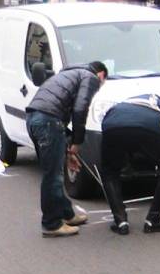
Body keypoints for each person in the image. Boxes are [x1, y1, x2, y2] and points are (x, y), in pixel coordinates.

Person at [26, 61, 108, 238]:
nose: (100, 86)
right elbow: (80, 109)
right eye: (103, 83)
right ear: (101, 75)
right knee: (53, 175)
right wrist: (77, 143)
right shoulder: (91, 78)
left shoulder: (67, 74)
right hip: (49, 121)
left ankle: (66, 213)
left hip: (34, 118)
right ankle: (51, 224)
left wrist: (68, 152)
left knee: (53, 172)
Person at [100, 93, 160, 235]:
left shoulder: (128, 102)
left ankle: (120, 221)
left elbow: (127, 139)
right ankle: (154, 219)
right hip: (146, 126)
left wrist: (126, 161)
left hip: (111, 124)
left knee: (109, 172)